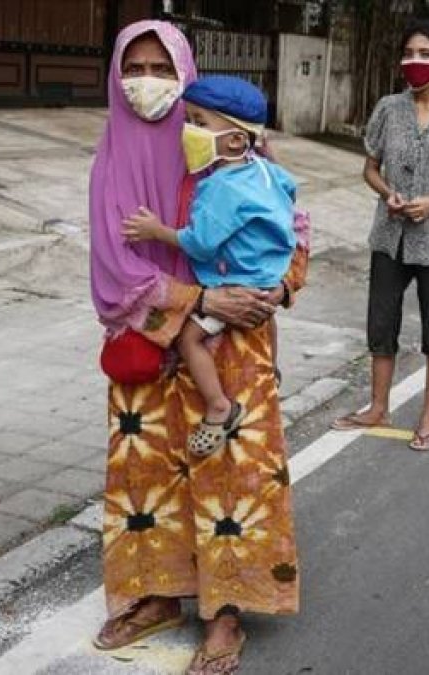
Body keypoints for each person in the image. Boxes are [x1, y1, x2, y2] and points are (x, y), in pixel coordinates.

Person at [89, 21, 309, 675]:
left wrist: (273, 289)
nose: (148, 82)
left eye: (163, 67)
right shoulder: (111, 164)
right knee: (147, 478)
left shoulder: (232, 153)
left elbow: (292, 239)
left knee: (232, 481)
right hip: (150, 343)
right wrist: (200, 301)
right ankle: (158, 595)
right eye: (137, 66)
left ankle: (226, 614)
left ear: (186, 76)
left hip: (239, 348)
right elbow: (111, 267)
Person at [120, 75, 297, 458]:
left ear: (235, 139)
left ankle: (218, 406)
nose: (189, 131)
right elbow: (291, 190)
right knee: (267, 318)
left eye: (200, 123)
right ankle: (273, 370)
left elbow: (199, 243)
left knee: (189, 339)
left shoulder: (222, 187)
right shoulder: (267, 171)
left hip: (235, 283)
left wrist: (156, 231)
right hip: (270, 278)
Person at [329, 19, 429, 451]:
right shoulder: (387, 109)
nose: (416, 62)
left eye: (426, 55)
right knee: (381, 325)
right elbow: (370, 169)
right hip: (388, 235)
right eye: (410, 53)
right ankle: (378, 408)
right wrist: (389, 193)